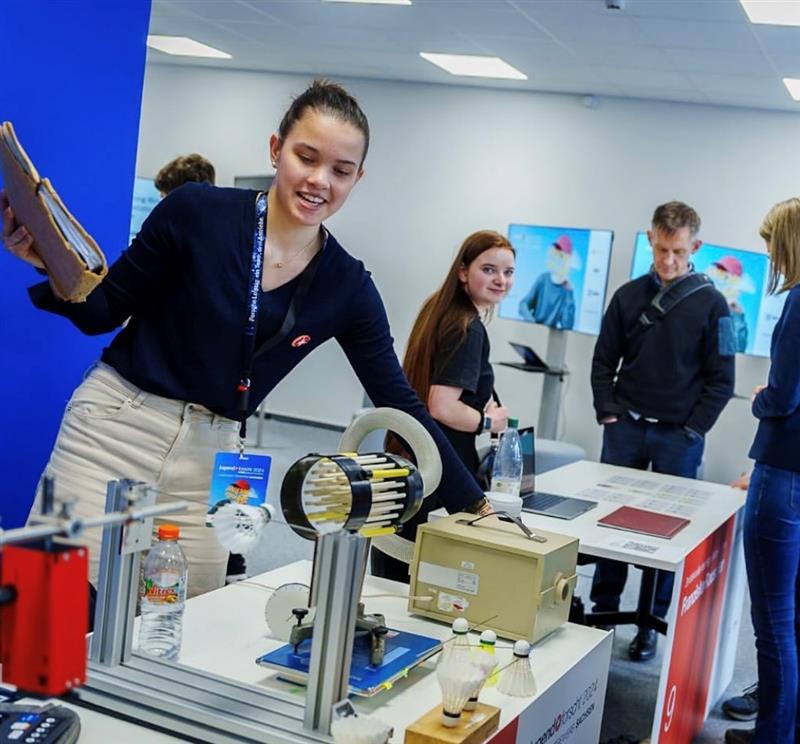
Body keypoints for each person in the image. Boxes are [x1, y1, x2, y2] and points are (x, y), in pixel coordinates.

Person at [1, 79, 491, 598]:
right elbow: (102, 312)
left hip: (212, 461)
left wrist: (477, 506)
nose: (320, 181)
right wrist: (49, 261)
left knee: (183, 627)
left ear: (357, 178)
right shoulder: (196, 211)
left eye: (341, 171)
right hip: (114, 429)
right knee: (54, 610)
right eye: (307, 157)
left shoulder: (347, 285)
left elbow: (400, 400)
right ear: (277, 149)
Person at [589, 200, 735, 661]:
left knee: (667, 534)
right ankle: (601, 612)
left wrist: (694, 431)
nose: (668, 261)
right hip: (626, 428)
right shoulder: (627, 295)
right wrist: (608, 412)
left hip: (678, 437)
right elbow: (601, 361)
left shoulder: (715, 305)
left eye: (678, 251)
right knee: (608, 522)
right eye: (661, 250)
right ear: (650, 238)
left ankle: (649, 624)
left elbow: (722, 380)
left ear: (695, 246)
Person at [371, 230, 514, 582]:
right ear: (463, 271)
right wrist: (487, 421)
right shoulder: (468, 328)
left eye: (508, 272)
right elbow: (443, 406)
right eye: (489, 269)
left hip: (413, 460)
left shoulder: (440, 309)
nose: (500, 280)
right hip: (441, 467)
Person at [725, 197, 800, 744]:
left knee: (773, 625)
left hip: (783, 474)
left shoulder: (799, 300)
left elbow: (783, 396)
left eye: (772, 244)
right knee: (792, 622)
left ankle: (771, 736)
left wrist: (761, 399)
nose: (769, 255)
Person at [517, 234, 575, 330]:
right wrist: (532, 323)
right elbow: (523, 305)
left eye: (561, 256)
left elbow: (567, 325)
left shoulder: (566, 290)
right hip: (533, 332)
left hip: (551, 338)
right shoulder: (543, 279)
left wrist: (570, 294)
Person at [709, 255, 749, 353]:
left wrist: (737, 316)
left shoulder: (735, 313)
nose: (720, 278)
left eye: (725, 274)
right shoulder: (705, 299)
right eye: (718, 271)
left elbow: (738, 350)